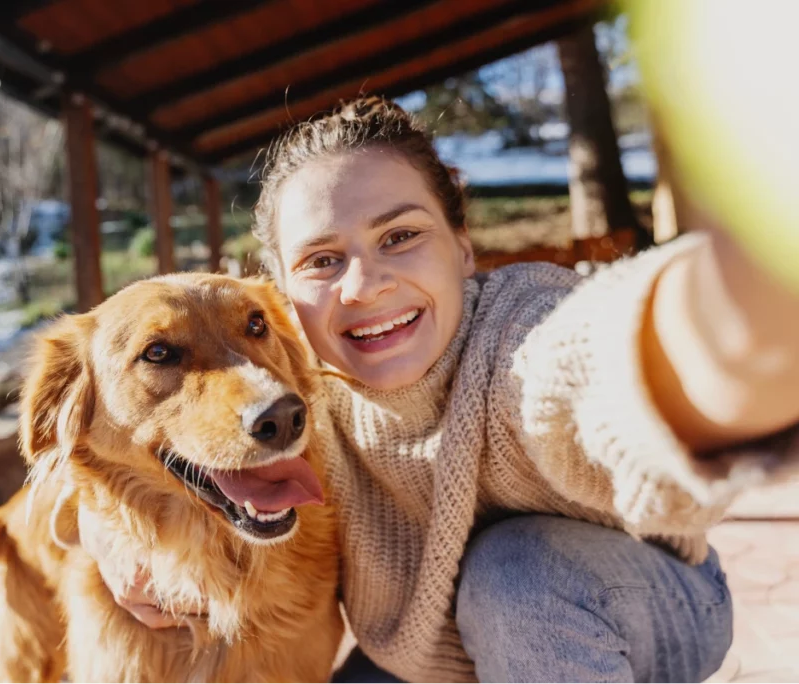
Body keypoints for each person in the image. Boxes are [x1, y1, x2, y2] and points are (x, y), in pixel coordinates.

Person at [79, 97, 799, 683]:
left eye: (399, 237)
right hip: (428, 655)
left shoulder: (518, 334)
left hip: (641, 604)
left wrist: (692, 332)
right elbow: (99, 449)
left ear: (462, 246)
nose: (366, 285)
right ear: (284, 293)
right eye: (324, 259)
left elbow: (585, 361)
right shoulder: (293, 398)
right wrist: (101, 535)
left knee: (518, 578)